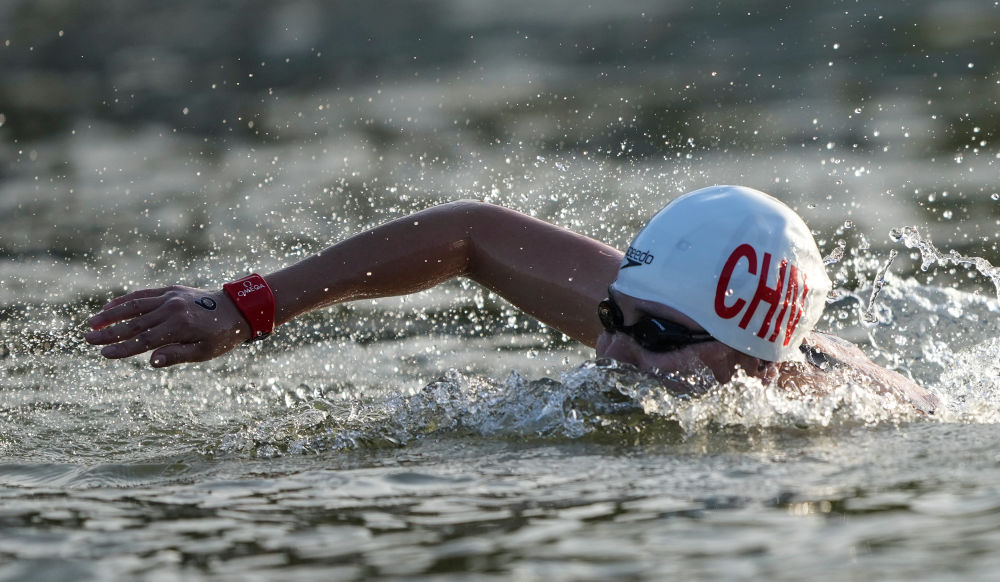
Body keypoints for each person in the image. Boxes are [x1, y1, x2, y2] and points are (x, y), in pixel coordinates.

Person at [85, 185, 938, 413]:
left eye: (656, 338)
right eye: (611, 318)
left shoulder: (858, 413)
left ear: (759, 363)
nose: (616, 354)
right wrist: (246, 305)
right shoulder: (661, 304)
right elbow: (470, 232)